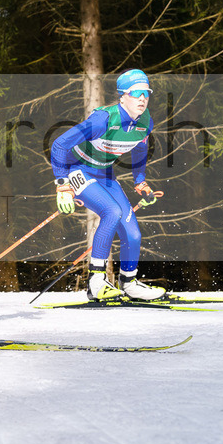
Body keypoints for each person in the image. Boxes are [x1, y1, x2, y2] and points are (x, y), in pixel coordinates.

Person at [49, 70, 165, 302]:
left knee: (133, 233)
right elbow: (59, 145)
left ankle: (129, 283)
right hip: (78, 169)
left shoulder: (145, 123)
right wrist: (62, 184)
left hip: (105, 174)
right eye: (136, 93)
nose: (143, 98)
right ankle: (96, 282)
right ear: (123, 96)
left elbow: (140, 150)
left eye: (146, 93)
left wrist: (140, 180)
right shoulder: (103, 120)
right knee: (111, 212)